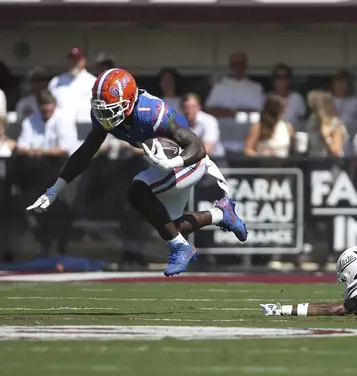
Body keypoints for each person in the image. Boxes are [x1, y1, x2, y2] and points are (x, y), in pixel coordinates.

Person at [26, 68, 248, 277]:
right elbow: (85, 151)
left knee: (137, 192)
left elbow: (198, 148)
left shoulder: (150, 111)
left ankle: (182, 248)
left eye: (111, 108)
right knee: (173, 227)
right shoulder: (110, 113)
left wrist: (172, 163)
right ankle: (222, 214)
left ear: (130, 101)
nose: (105, 115)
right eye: (101, 107)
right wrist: (55, 189)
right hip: (166, 164)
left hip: (188, 160)